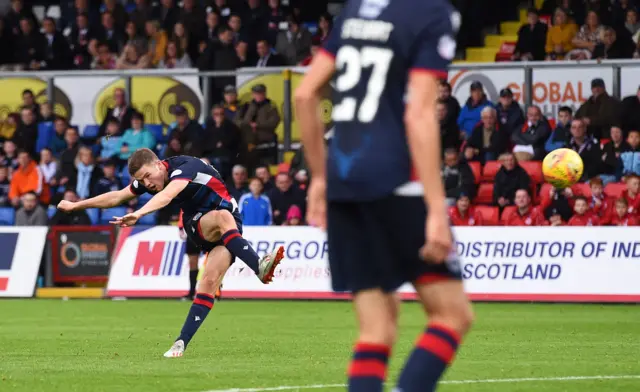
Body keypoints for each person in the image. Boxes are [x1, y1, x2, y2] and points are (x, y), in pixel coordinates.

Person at [294, 1, 473, 391]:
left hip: (344, 183)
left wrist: (320, 179)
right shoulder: (432, 14)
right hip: (396, 180)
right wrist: (435, 209)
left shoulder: (357, 9)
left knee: (377, 328)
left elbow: (305, 94)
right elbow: (419, 114)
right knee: (452, 316)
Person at [56, 149, 284, 357]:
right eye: (140, 181)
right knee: (222, 217)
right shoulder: (152, 179)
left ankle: (180, 343)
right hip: (199, 224)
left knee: (209, 281)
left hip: (230, 228)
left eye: (147, 176)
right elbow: (117, 196)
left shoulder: (185, 167)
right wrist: (77, 205)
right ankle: (259, 268)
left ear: (158, 164)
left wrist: (139, 213)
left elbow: (166, 196)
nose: (146, 183)